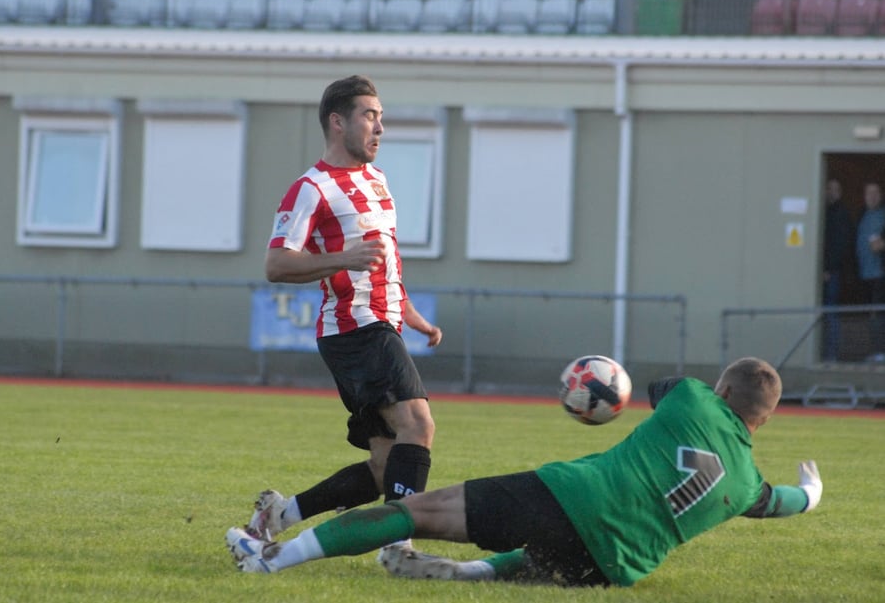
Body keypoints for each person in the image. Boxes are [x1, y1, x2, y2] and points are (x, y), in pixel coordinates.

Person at [225, 357, 823, 588]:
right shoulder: (748, 485)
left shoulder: (691, 398)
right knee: (536, 564)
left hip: (568, 499)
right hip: (616, 565)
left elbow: (662, 388)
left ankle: (269, 558)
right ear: (763, 422)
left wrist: (606, 380)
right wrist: (812, 493)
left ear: (721, 390)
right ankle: (457, 576)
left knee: (412, 512)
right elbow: (780, 503)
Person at [244, 75, 443, 547]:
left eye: (381, 118)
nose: (379, 128)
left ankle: (279, 514)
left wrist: (408, 311)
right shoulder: (309, 189)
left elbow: (384, 259)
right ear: (338, 122)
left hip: (380, 322)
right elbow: (275, 264)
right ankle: (400, 547)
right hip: (355, 329)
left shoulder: (376, 180)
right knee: (419, 425)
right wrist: (342, 259)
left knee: (383, 464)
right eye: (369, 116)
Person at [822, 178, 854, 362]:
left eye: (835, 189)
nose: (831, 192)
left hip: (833, 272)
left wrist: (829, 268)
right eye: (829, 189)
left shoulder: (840, 215)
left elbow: (840, 245)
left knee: (830, 310)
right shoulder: (827, 212)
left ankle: (831, 354)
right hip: (830, 270)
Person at [855, 181, 885, 362]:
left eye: (875, 193)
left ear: (881, 195)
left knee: (878, 313)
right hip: (864, 274)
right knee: (869, 313)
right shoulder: (863, 215)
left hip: (880, 274)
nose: (872, 197)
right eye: (868, 193)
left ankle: (881, 351)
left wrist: (881, 245)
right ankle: (874, 351)